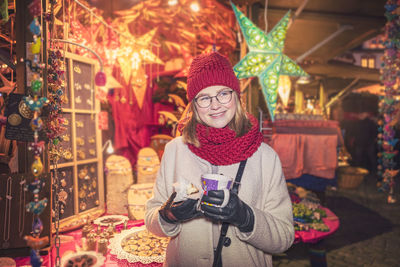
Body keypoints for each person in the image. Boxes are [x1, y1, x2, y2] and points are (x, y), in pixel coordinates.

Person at [145, 52, 294, 267]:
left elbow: (284, 237)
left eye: (223, 94)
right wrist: (169, 215)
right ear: (194, 105)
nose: (215, 105)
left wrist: (246, 217)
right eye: (204, 98)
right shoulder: (174, 151)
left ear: (236, 96)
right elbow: (151, 220)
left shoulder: (265, 157)